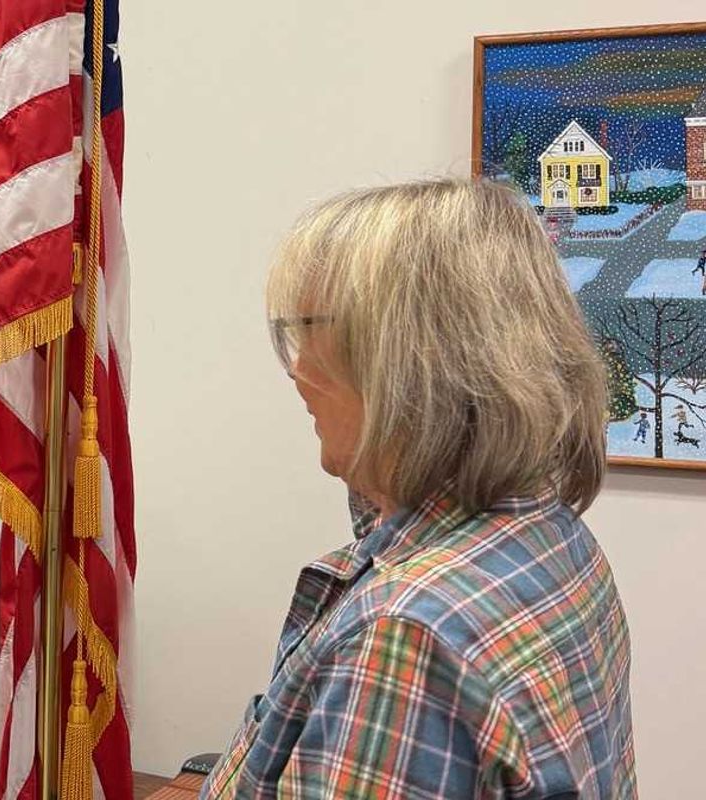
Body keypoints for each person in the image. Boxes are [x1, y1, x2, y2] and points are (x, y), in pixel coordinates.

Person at [204, 179, 635, 798]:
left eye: (312, 329)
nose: (296, 367)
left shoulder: (405, 637)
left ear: (409, 358)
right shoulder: (549, 536)